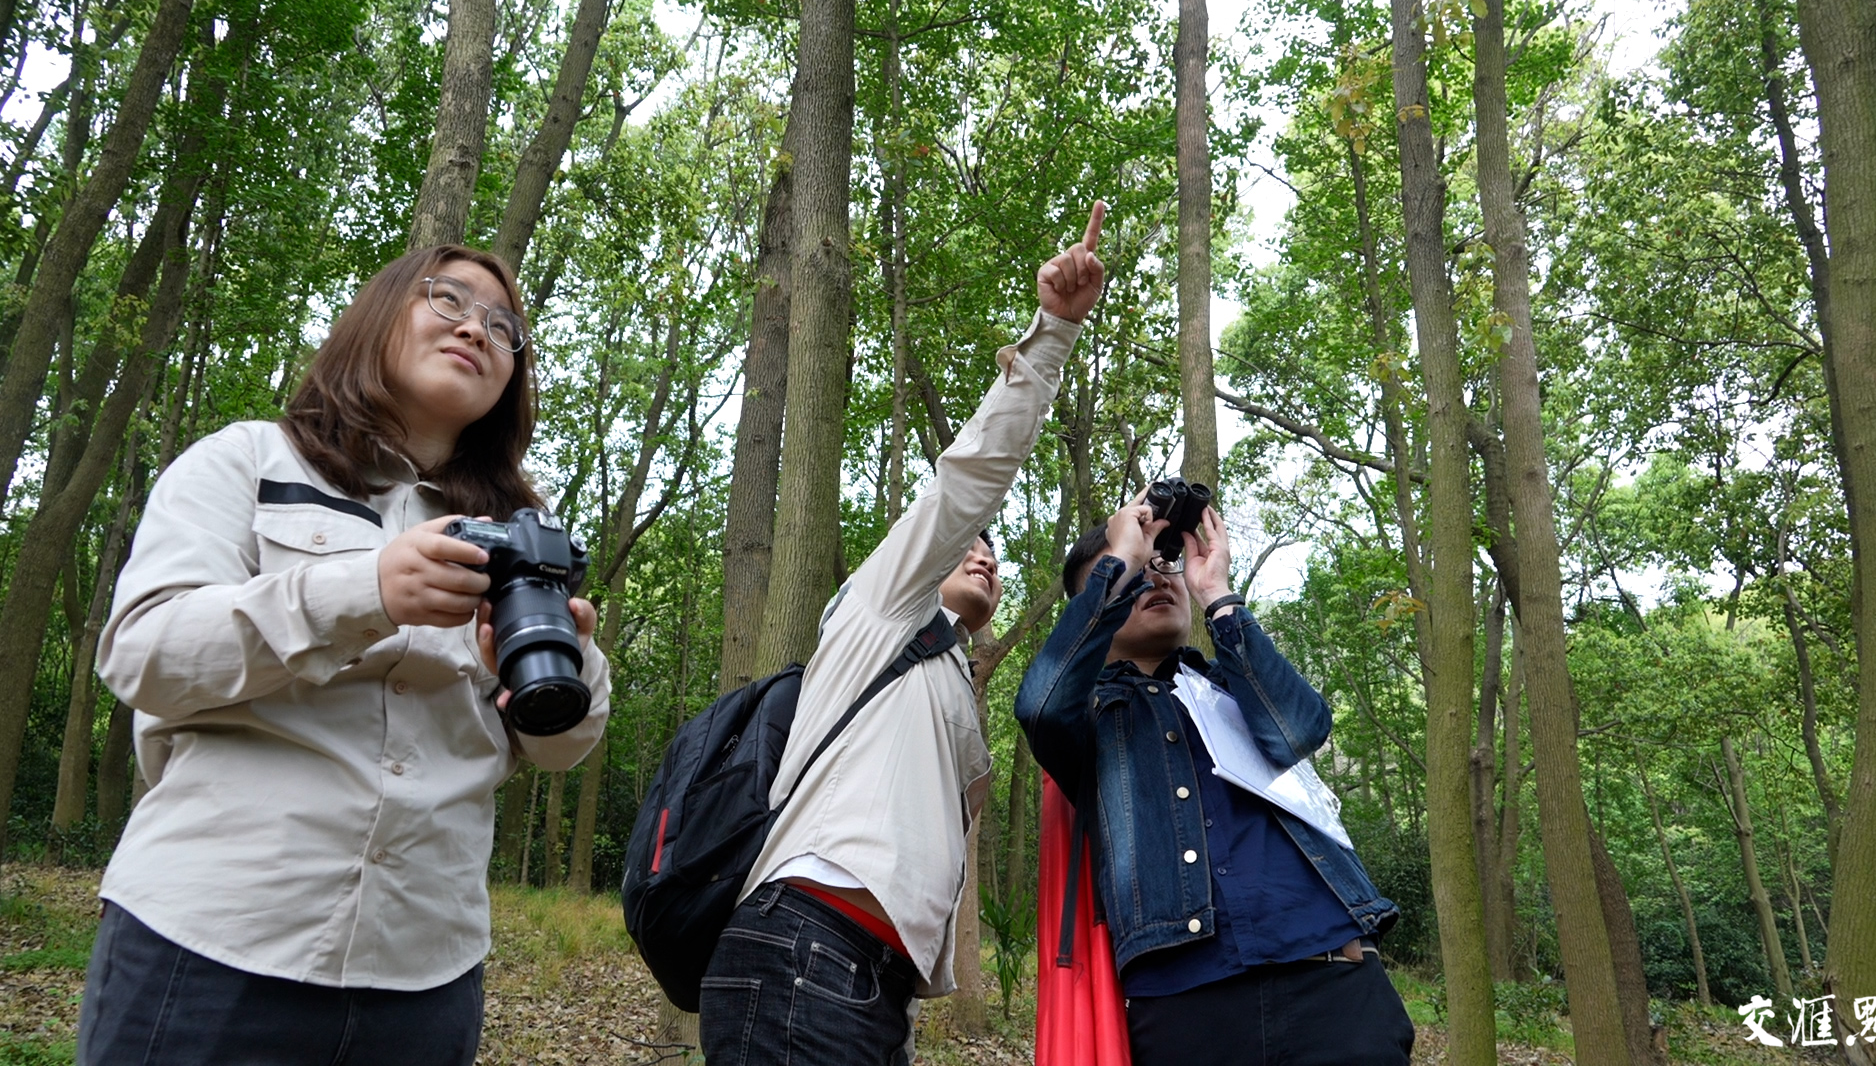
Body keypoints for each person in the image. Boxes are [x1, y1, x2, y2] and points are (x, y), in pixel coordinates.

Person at [79, 245, 611, 1065]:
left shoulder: (522, 536)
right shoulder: (249, 460)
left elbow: (560, 748)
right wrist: (364, 593)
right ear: (379, 312)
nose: (476, 326)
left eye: (505, 327)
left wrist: (562, 660)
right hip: (212, 942)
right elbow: (143, 655)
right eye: (448, 299)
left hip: (426, 976)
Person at [698, 204, 1107, 1065]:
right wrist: (1053, 337)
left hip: (864, 979)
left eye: (996, 556)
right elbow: (969, 482)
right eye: (972, 548)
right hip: (806, 945)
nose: (986, 557)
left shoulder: (947, 672)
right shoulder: (883, 601)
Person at [1015, 498, 1414, 1066]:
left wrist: (1218, 598)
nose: (1156, 576)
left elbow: (1300, 729)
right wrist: (1117, 564)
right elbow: (1039, 705)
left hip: (1332, 985)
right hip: (1184, 1006)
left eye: (1165, 563)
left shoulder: (1236, 684)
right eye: (1134, 570)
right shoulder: (1087, 719)